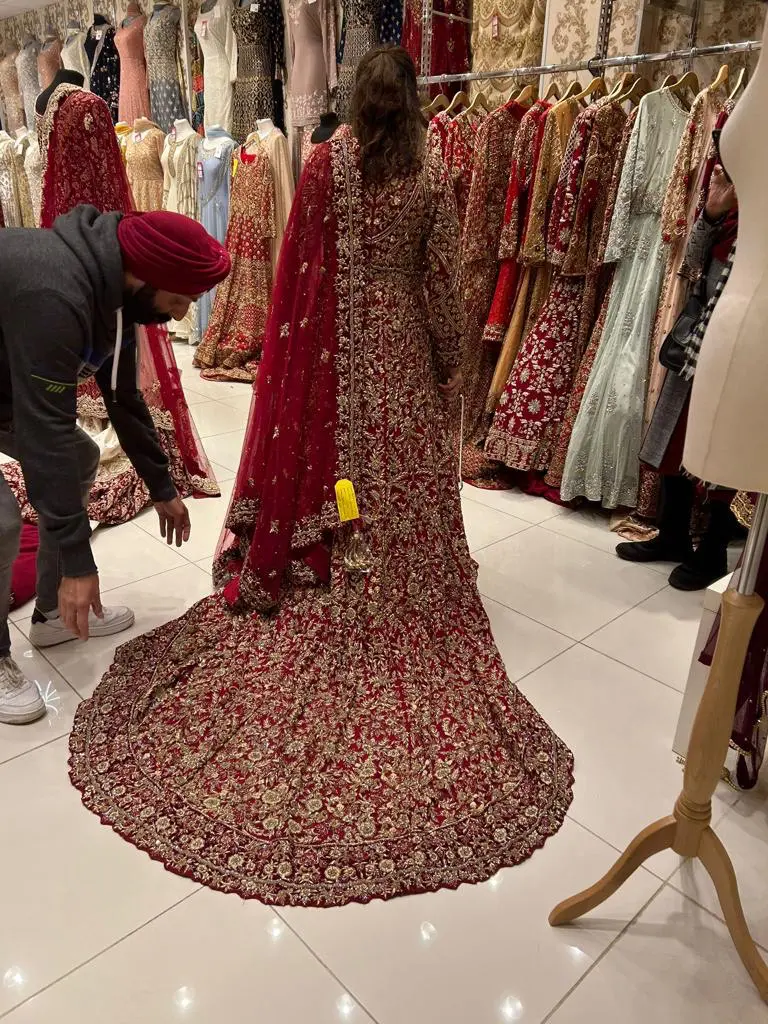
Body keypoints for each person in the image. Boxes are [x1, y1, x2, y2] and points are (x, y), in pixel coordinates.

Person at [69, 47, 573, 908]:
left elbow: (297, 272)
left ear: (352, 99)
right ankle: (405, 583)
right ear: (411, 103)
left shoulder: (327, 164)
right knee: (403, 479)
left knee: (346, 477)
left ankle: (330, 563)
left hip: (333, 362)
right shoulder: (429, 172)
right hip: (401, 353)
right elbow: (441, 281)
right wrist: (450, 367)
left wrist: (300, 367)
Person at [0, 206, 231, 725]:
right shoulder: (56, 295)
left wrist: (162, 486)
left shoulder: (119, 295)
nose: (180, 315)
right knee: (2, 523)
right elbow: (46, 432)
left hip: (8, 390)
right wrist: (80, 562)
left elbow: (123, 397)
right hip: (14, 395)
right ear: (145, 277)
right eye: (179, 299)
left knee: (83, 455)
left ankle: (51, 615)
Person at [617, 162, 739, 590]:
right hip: (698, 335)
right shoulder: (731, 210)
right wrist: (711, 213)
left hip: (743, 342)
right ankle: (672, 536)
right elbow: (691, 262)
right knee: (675, 436)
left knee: (726, 443)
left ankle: (713, 550)